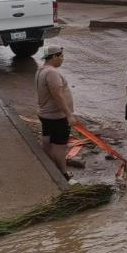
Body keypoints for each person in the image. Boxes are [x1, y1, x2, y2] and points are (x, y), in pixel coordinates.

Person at [35, 46, 77, 182]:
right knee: (59, 146)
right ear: (54, 57)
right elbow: (57, 95)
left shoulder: (41, 70)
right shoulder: (52, 73)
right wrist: (69, 114)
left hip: (45, 114)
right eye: (61, 56)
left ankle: (49, 167)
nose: (63, 59)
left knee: (47, 141)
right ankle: (64, 174)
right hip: (57, 116)